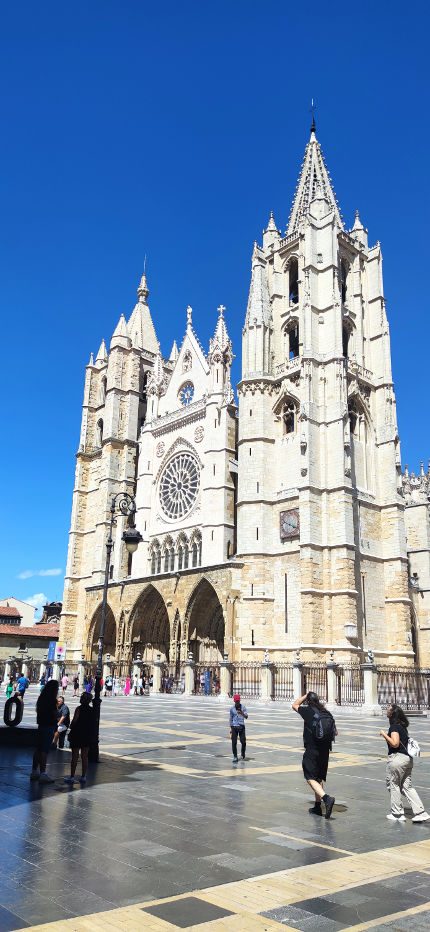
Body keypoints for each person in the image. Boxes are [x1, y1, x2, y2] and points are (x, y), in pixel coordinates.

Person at [380, 704, 429, 822]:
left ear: (392, 713)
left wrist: (384, 734)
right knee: (407, 786)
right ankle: (421, 812)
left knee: (393, 784)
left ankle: (397, 813)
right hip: (407, 759)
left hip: (397, 759)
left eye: (388, 709)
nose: (386, 710)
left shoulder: (394, 727)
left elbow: (395, 743)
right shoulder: (402, 727)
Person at [292, 691, 336, 819]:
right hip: (325, 750)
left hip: (312, 749)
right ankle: (317, 807)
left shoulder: (308, 711)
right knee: (318, 778)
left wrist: (305, 695)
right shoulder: (326, 713)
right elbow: (335, 732)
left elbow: (294, 705)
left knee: (310, 777)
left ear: (308, 701)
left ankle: (326, 799)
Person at [30, 679, 59, 783]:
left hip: (41, 725)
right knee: (44, 750)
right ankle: (43, 773)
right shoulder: (52, 700)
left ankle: (34, 771)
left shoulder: (41, 698)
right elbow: (55, 714)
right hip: (49, 726)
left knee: (38, 749)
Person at [64, 692, 96, 786]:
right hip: (87, 734)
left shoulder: (79, 709)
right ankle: (83, 776)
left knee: (75, 756)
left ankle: (72, 777)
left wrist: (71, 726)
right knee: (84, 756)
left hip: (77, 733)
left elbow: (75, 721)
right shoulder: (92, 710)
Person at [229, 693, 248, 763]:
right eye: (236, 701)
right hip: (234, 727)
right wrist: (230, 728)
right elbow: (230, 719)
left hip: (241, 726)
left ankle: (243, 753)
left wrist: (242, 713)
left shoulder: (243, 707)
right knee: (234, 742)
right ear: (234, 701)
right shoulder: (231, 709)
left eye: (238, 701)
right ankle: (235, 756)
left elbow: (246, 716)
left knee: (243, 741)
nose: (237, 702)